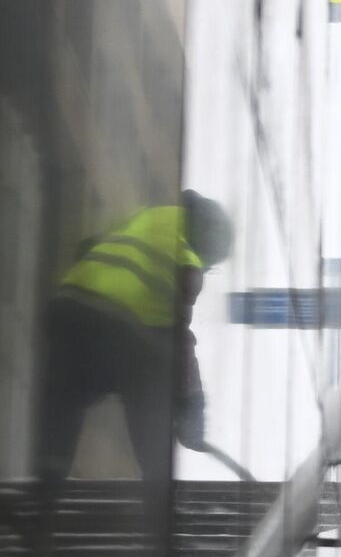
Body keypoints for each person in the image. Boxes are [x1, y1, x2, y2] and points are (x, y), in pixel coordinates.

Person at [37, 191, 233, 503]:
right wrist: (191, 409)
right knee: (150, 388)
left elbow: (87, 247)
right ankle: (158, 499)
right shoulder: (187, 260)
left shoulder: (145, 215)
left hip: (72, 307)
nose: (207, 268)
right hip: (122, 330)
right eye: (211, 263)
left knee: (65, 398)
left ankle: (45, 492)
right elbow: (179, 341)